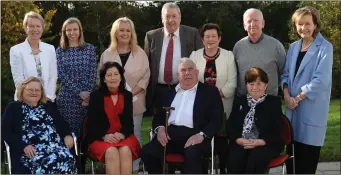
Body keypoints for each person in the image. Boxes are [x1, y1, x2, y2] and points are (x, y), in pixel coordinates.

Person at [140, 58, 223, 174]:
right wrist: (160, 129)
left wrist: (201, 135)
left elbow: (216, 119)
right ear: (178, 75)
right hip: (169, 135)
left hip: (195, 135)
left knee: (192, 153)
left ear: (197, 72)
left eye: (190, 69)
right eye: (183, 70)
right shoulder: (169, 93)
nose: (187, 73)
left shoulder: (210, 92)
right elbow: (159, 116)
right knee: (148, 152)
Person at [281, 6, 333, 174]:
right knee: (292, 162)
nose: (304, 28)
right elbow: (285, 75)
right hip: (291, 110)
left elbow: (321, 81)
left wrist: (298, 98)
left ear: (315, 24)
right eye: (300, 24)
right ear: (295, 26)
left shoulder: (325, 47)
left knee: (306, 165)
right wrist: (287, 95)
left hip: (310, 110)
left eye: (308, 23)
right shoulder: (294, 47)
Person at [97, 17, 150, 172]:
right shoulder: (107, 54)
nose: (125, 33)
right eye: (121, 30)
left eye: (128, 30)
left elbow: (146, 76)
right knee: (113, 136)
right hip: (110, 104)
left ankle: (133, 169)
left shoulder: (140, 53)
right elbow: (100, 79)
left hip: (135, 101)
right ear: (115, 33)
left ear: (132, 33)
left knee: (134, 135)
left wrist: (128, 94)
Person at [1, 77, 76, 174]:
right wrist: (23, 146)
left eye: (37, 90)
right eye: (30, 90)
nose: (34, 92)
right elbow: (5, 131)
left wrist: (67, 134)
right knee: (48, 162)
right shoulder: (13, 108)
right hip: (30, 151)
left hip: (55, 147)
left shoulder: (49, 106)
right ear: (22, 91)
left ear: (41, 93)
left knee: (67, 158)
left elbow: (62, 124)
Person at [189, 23, 237, 173]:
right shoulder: (194, 56)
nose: (210, 39)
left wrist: (214, 98)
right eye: (207, 36)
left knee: (222, 141)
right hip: (200, 106)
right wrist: (206, 100)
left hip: (223, 105)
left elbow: (232, 82)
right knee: (202, 138)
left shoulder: (228, 55)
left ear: (219, 38)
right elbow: (191, 80)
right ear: (202, 39)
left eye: (213, 36)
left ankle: (223, 169)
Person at [144, 2, 203, 116]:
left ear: (180, 17)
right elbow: (146, 64)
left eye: (174, 16)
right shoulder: (151, 36)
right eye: (167, 16)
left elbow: (200, 59)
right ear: (162, 19)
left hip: (184, 88)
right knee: (160, 123)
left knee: (182, 121)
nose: (171, 20)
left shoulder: (192, 33)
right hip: (159, 90)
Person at [226, 67, 284, 174]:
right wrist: (239, 140)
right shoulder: (239, 101)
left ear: (265, 85)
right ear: (246, 85)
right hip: (242, 141)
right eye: (251, 84)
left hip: (266, 143)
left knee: (255, 159)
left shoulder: (274, 102)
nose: (255, 87)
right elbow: (231, 125)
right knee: (235, 158)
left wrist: (261, 141)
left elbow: (278, 128)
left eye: (259, 83)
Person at [87, 62, 141, 174]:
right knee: (111, 151)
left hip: (122, 137)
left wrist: (122, 134)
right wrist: (104, 136)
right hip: (101, 138)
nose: (113, 78)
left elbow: (129, 123)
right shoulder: (95, 96)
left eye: (116, 74)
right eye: (109, 75)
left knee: (125, 150)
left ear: (121, 77)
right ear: (104, 79)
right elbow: (91, 124)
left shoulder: (127, 95)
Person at [233, 8, 286, 99]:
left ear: (263, 23)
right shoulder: (238, 46)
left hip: (269, 100)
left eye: (256, 20)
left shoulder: (276, 46)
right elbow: (235, 74)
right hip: (243, 101)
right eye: (249, 21)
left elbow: (284, 72)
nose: (252, 24)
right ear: (244, 25)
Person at [56, 17, 97, 134]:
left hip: (88, 98)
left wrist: (86, 94)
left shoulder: (89, 49)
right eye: (68, 30)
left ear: (80, 31)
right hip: (67, 99)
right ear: (64, 32)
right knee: (68, 133)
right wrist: (79, 93)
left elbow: (92, 72)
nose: (72, 33)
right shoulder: (59, 51)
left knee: (88, 133)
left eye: (75, 29)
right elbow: (61, 75)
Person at [10, 11, 57, 102]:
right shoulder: (16, 50)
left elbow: (53, 76)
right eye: (31, 26)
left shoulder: (50, 49)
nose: (35, 29)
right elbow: (18, 79)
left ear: (42, 28)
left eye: (38, 26)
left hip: (47, 100)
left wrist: (48, 96)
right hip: (24, 100)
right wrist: (32, 99)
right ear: (25, 28)